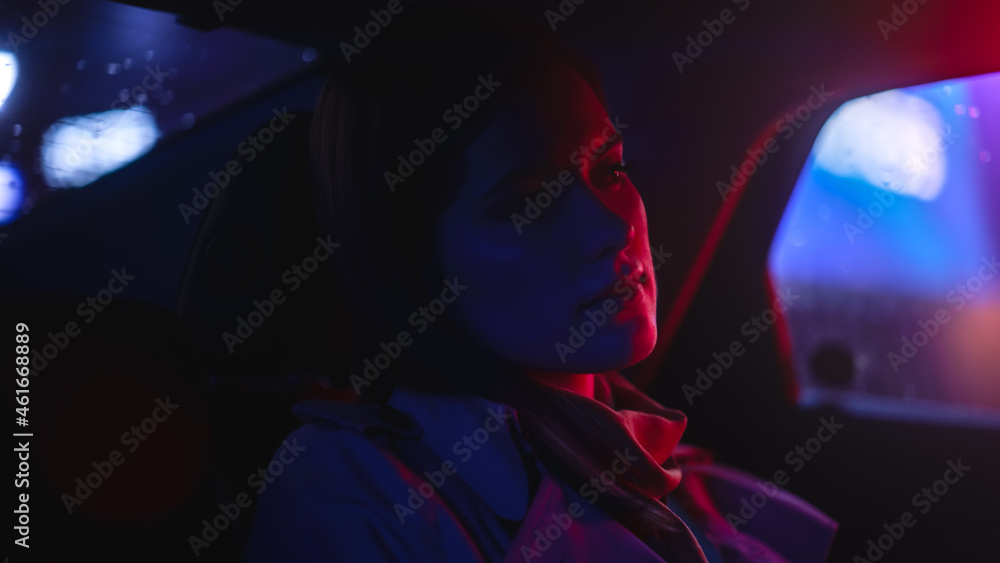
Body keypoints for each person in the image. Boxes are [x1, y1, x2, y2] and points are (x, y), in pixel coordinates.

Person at [244, 9, 836, 562]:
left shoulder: (656, 467)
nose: (612, 225)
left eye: (611, 169)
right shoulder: (347, 492)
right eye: (533, 203)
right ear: (413, 264)